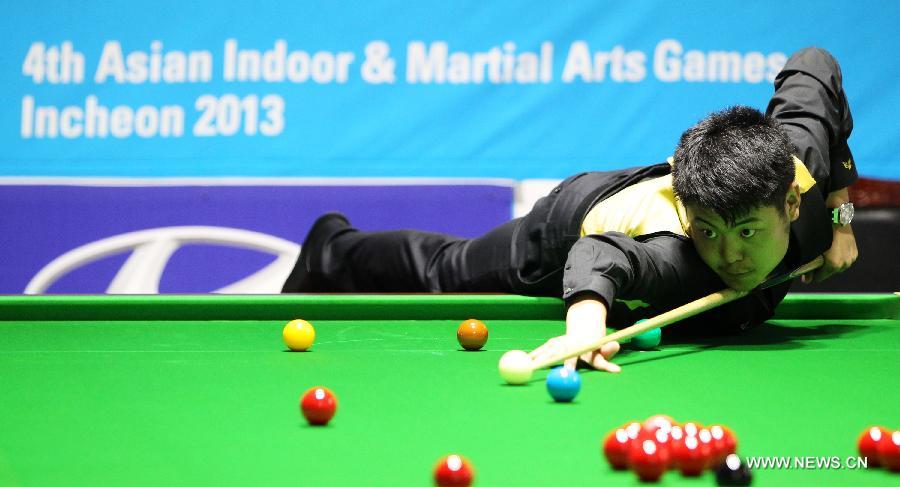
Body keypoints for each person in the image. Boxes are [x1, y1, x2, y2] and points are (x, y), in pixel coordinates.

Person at [282, 47, 858, 372]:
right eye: (709, 231)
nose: (729, 256)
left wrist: (840, 213)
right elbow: (599, 254)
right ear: (689, 219)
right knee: (447, 272)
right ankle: (330, 245)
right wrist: (586, 325)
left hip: (674, 195)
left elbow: (815, 65)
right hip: (574, 220)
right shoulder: (678, 256)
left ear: (790, 199)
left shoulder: (797, 161)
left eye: (748, 231)